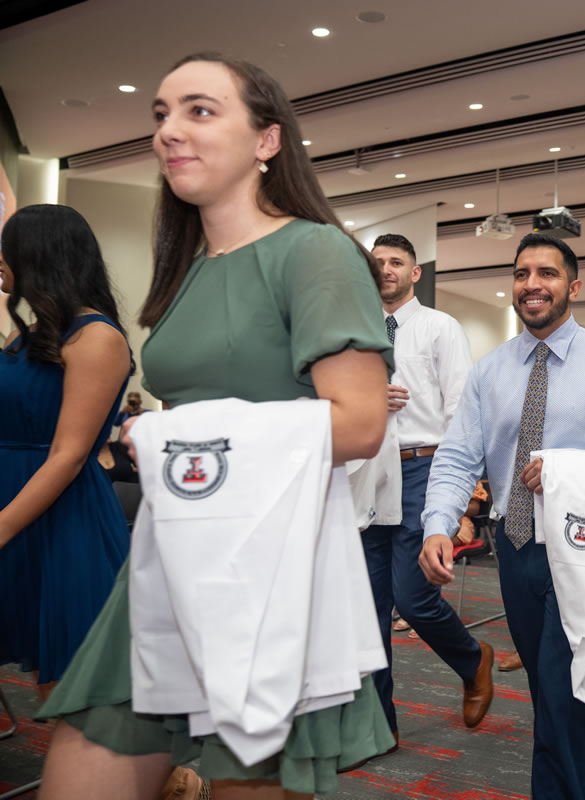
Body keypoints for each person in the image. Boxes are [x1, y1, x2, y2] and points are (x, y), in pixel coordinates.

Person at [37, 53, 396, 799]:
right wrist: (166, 437)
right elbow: (210, 409)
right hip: (173, 556)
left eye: (199, 111)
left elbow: (360, 423)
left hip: (271, 569)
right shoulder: (191, 267)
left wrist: (184, 443)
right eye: (161, 114)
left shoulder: (315, 252)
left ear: (267, 141)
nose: (170, 130)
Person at [418, 233, 585, 799]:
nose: (532, 284)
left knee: (559, 694)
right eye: (522, 273)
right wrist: (438, 524)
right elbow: (459, 455)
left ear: (573, 287)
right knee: (550, 690)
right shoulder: (490, 372)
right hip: (515, 550)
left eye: (548, 273)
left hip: (584, 550)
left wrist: (567, 470)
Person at [359, 231, 494, 738]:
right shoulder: (354, 331)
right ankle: (379, 728)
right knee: (369, 605)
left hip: (423, 466)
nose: (387, 270)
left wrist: (463, 497)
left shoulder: (440, 327)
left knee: (413, 600)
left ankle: (472, 658)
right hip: (366, 469)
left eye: (397, 262)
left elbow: (463, 412)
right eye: (378, 263)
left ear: (415, 273)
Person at [0, 204, 133, 705]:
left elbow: (69, 455)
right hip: (14, 502)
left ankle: (175, 785)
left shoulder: (96, 338)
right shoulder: (25, 337)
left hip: (60, 518)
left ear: (36, 255)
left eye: (6, 246)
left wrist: (4, 526)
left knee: (70, 689)